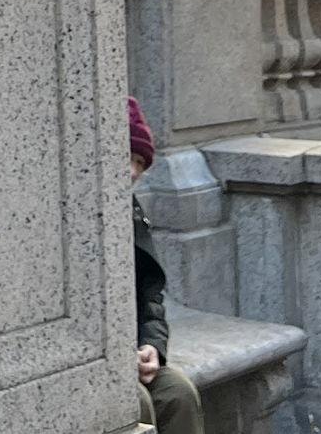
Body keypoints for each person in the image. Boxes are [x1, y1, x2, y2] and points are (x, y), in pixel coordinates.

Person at [129, 99, 204, 432]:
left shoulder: (130, 212)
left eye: (138, 162)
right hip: (94, 362)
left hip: (133, 350)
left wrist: (152, 347)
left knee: (178, 393)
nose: (131, 171)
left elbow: (150, 296)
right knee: (138, 405)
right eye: (124, 157)